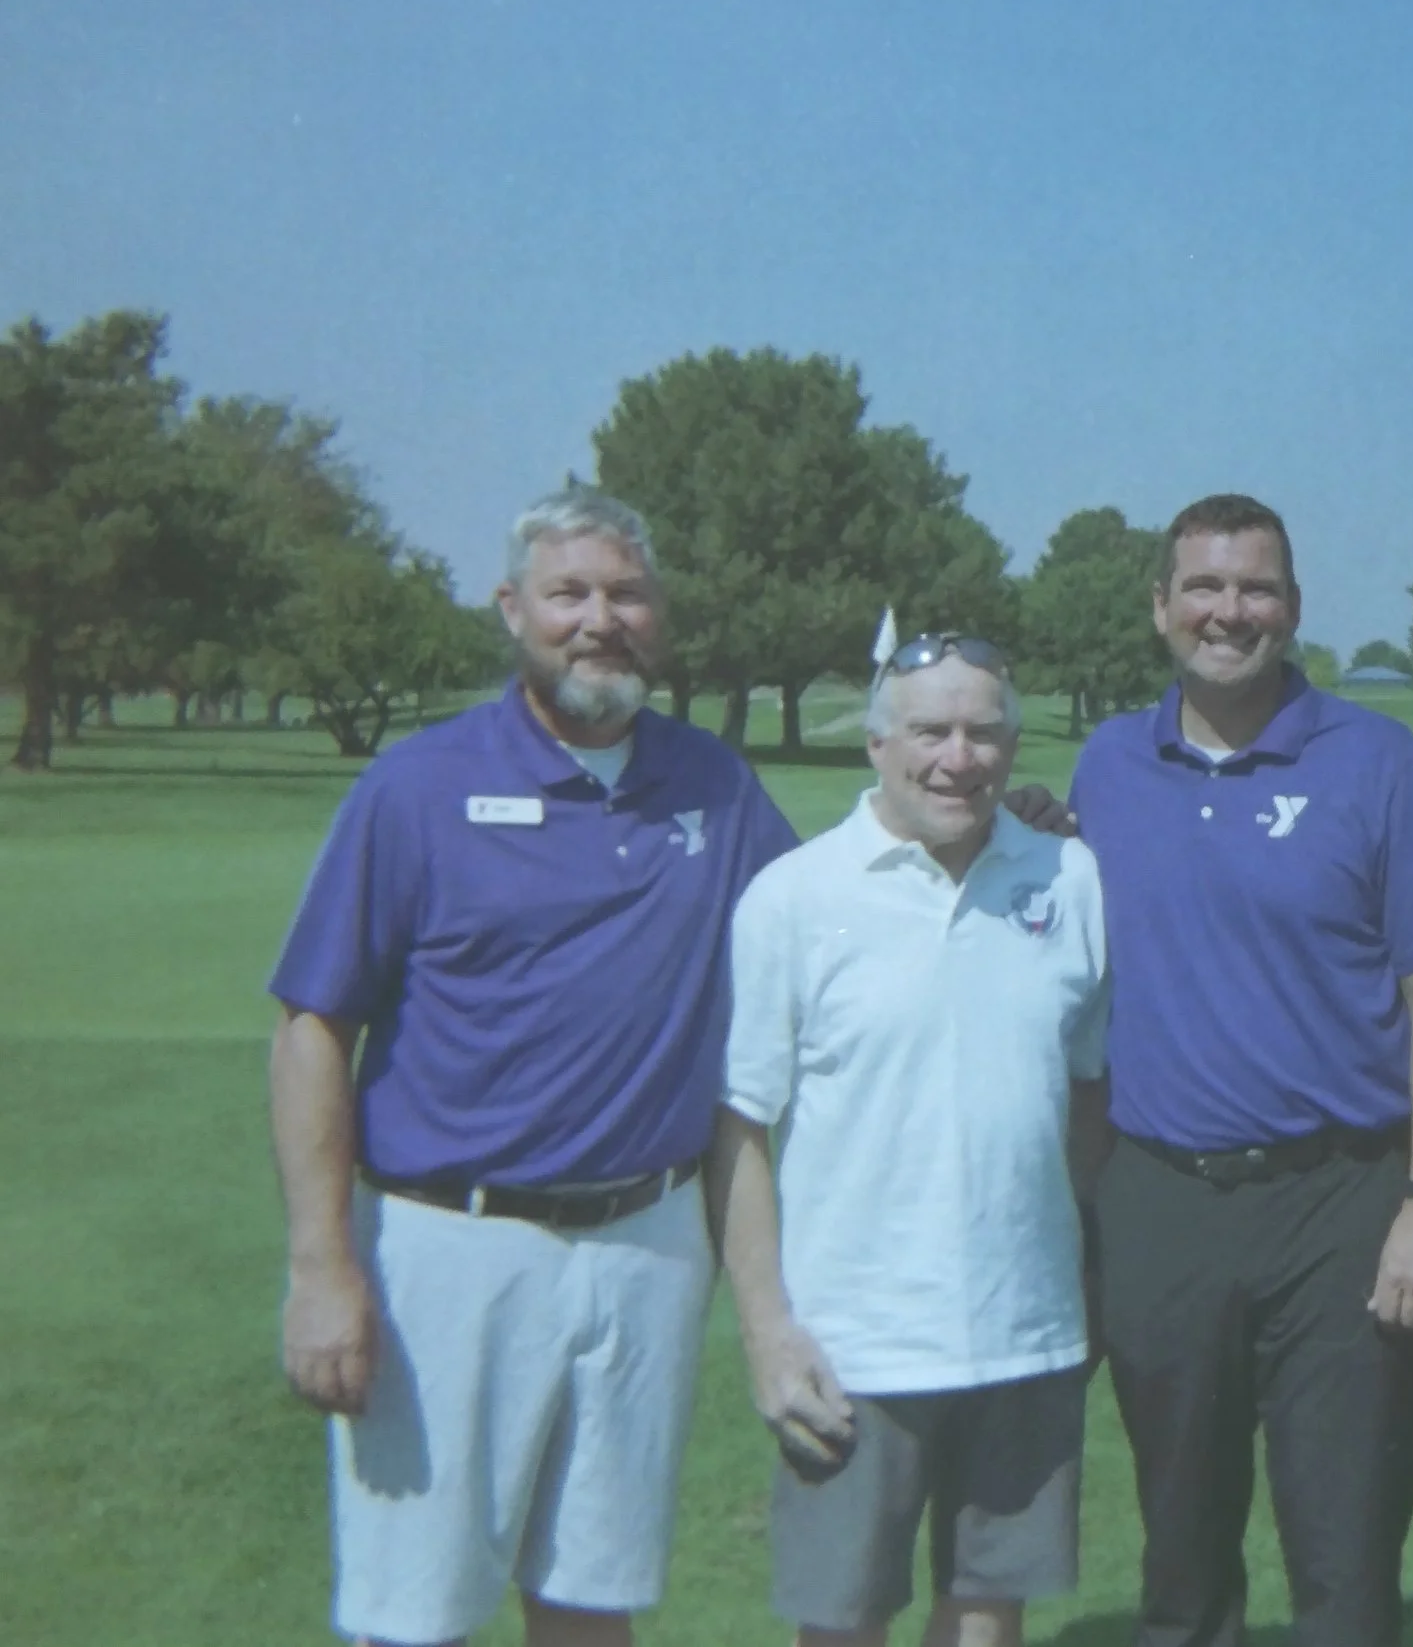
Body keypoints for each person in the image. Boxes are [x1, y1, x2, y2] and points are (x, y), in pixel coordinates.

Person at [267, 489, 800, 1647]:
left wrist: (1004, 834)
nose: (598, 620)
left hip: (649, 1246)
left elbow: (837, 926)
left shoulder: (716, 786)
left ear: (658, 616)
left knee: (590, 1599)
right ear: (512, 610)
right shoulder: (416, 786)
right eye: (568, 594)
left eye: (625, 593)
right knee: (416, 1612)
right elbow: (314, 1028)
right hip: (449, 1250)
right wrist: (321, 1266)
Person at [1069, 492, 1413, 1647]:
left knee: (1344, 1566)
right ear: (1161, 607)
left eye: (1254, 588)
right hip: (1159, 1202)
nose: (1228, 610)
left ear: (1291, 609)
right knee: (1182, 1560)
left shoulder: (1378, 761)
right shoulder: (1105, 768)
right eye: (1202, 586)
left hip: (1340, 1205)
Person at [711, 632, 1111, 1647]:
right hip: (853, 1343)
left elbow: (1086, 1100)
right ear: (877, 746)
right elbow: (740, 1130)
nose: (958, 756)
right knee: (842, 1619)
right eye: (931, 730)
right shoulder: (796, 898)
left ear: (1013, 748)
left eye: (983, 732)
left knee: (987, 1607)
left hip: (1024, 1331)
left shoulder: (1069, 880)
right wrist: (768, 1334)